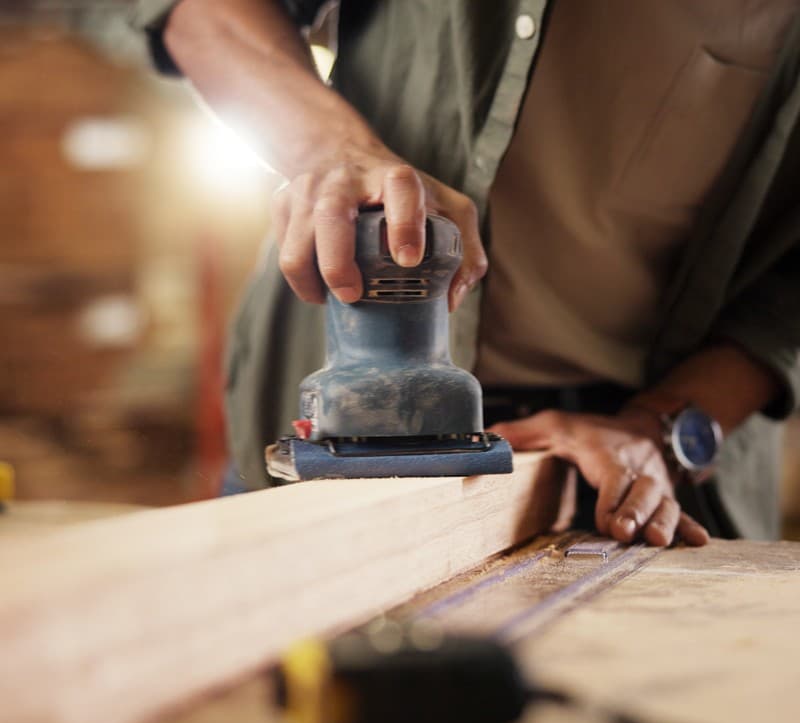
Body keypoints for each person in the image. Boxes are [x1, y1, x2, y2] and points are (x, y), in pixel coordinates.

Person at [134, 0, 800, 546]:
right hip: (304, 422)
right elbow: (200, 11)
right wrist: (332, 150)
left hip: (642, 451)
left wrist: (660, 427)